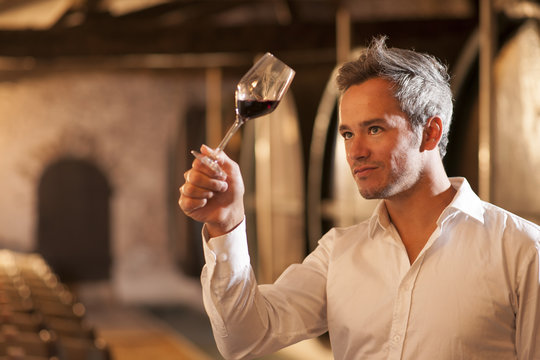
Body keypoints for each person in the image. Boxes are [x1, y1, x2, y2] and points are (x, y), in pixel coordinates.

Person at [178, 36, 540, 360]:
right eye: (348, 134)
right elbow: (243, 337)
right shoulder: (338, 253)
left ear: (430, 133)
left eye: (375, 129)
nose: (355, 152)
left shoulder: (522, 251)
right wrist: (225, 223)